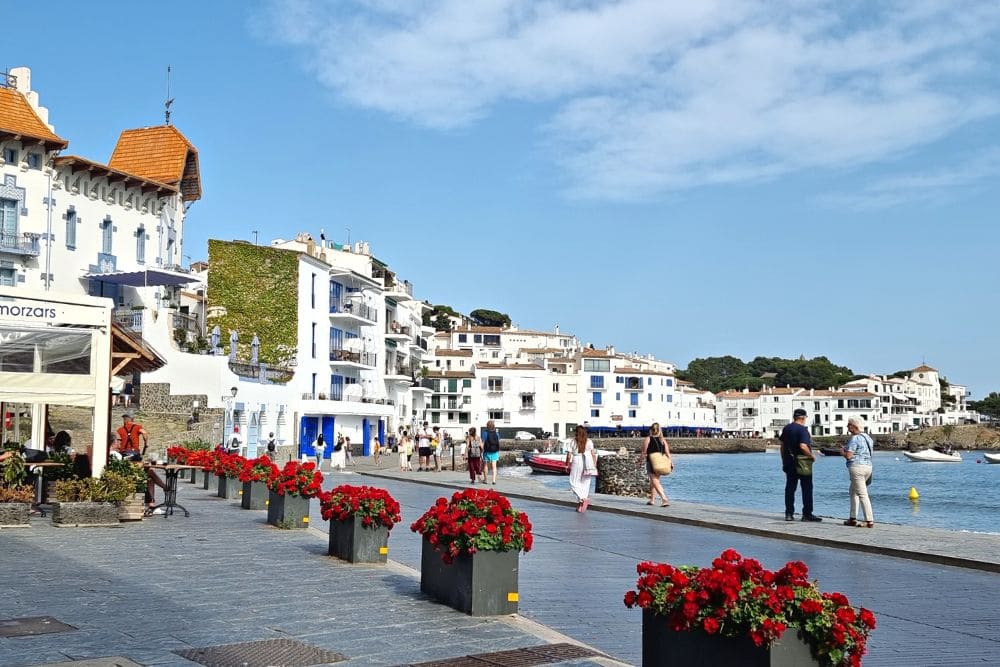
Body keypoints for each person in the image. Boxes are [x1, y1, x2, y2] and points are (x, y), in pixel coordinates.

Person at [780, 408, 821, 522]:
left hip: (789, 462)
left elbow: (782, 447)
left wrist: (784, 460)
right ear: (803, 418)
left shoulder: (787, 428)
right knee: (807, 488)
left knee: (790, 488)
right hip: (803, 463)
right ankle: (807, 514)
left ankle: (789, 513)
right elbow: (803, 446)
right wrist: (811, 456)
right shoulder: (803, 430)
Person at [842, 417, 875, 528]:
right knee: (853, 491)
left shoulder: (855, 438)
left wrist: (842, 452)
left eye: (849, 425)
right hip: (868, 467)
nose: (847, 427)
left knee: (862, 494)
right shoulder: (868, 438)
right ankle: (852, 518)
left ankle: (869, 520)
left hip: (857, 467)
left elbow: (849, 456)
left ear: (854, 426)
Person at [565, 425, 597, 512]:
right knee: (585, 483)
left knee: (574, 482)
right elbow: (593, 454)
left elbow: (569, 455)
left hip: (577, 460)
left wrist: (567, 465)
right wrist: (594, 465)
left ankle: (583, 499)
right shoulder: (589, 441)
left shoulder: (572, 441)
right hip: (588, 462)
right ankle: (580, 504)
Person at [640, 422, 672, 507]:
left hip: (651, 462)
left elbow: (644, 452)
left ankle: (664, 498)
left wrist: (639, 461)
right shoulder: (662, 440)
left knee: (655, 481)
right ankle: (652, 500)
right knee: (654, 481)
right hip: (660, 463)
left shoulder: (648, 439)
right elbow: (667, 453)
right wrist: (671, 462)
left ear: (651, 430)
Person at [482, 420, 501, 485]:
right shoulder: (497, 433)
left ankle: (486, 480)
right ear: (493, 426)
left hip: (487, 451)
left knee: (485, 465)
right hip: (495, 451)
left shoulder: (485, 433)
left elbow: (483, 443)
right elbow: (498, 442)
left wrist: (482, 451)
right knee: (494, 466)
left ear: (487, 426)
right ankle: (494, 480)